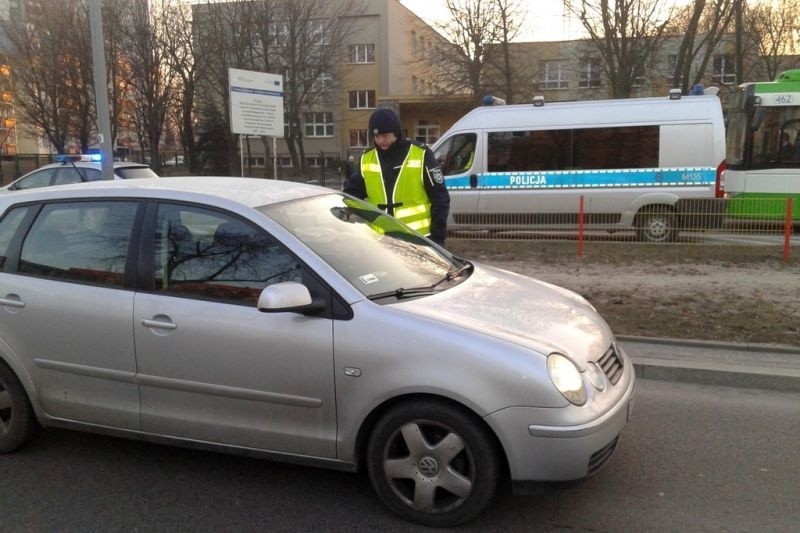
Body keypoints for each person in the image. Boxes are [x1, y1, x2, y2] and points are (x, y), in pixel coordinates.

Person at [343, 108, 450, 246]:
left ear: (396, 132)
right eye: (376, 136)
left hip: (419, 240)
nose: (381, 140)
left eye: (385, 135)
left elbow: (440, 199)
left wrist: (437, 238)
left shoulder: (421, 154)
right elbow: (352, 195)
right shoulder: (367, 158)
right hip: (381, 241)